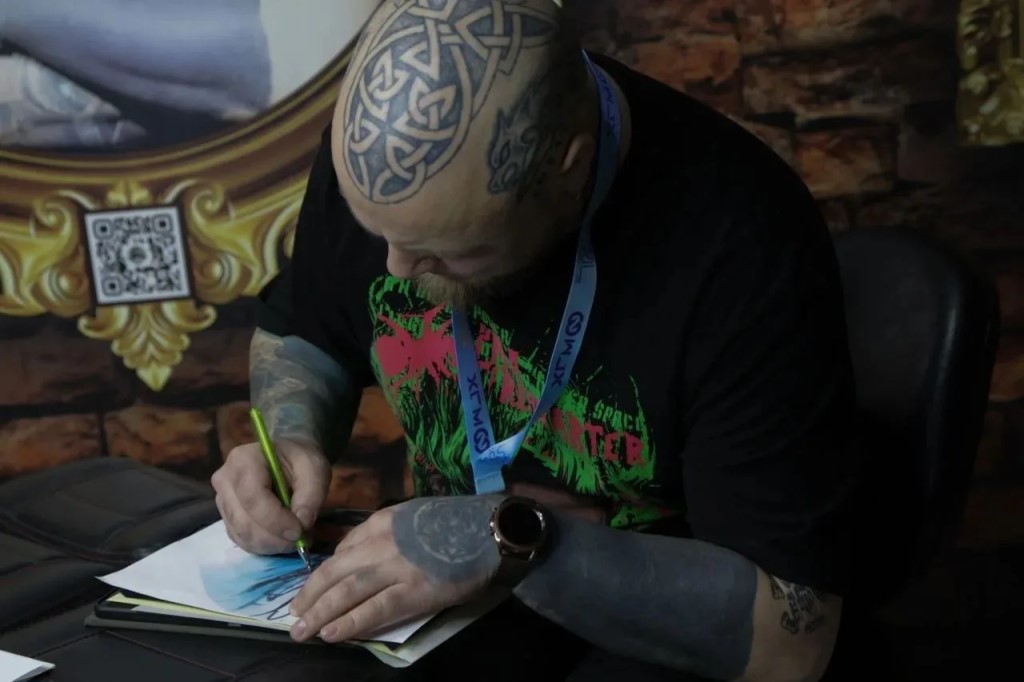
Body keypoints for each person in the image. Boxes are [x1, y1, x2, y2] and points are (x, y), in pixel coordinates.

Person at [211, 0, 862, 680]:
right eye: (380, 234)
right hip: (454, 608)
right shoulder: (392, 165)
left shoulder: (744, 243)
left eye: (446, 251)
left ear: (568, 171)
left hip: (654, 634)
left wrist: (511, 539)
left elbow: (794, 641)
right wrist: (290, 436)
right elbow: (310, 329)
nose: (396, 268)